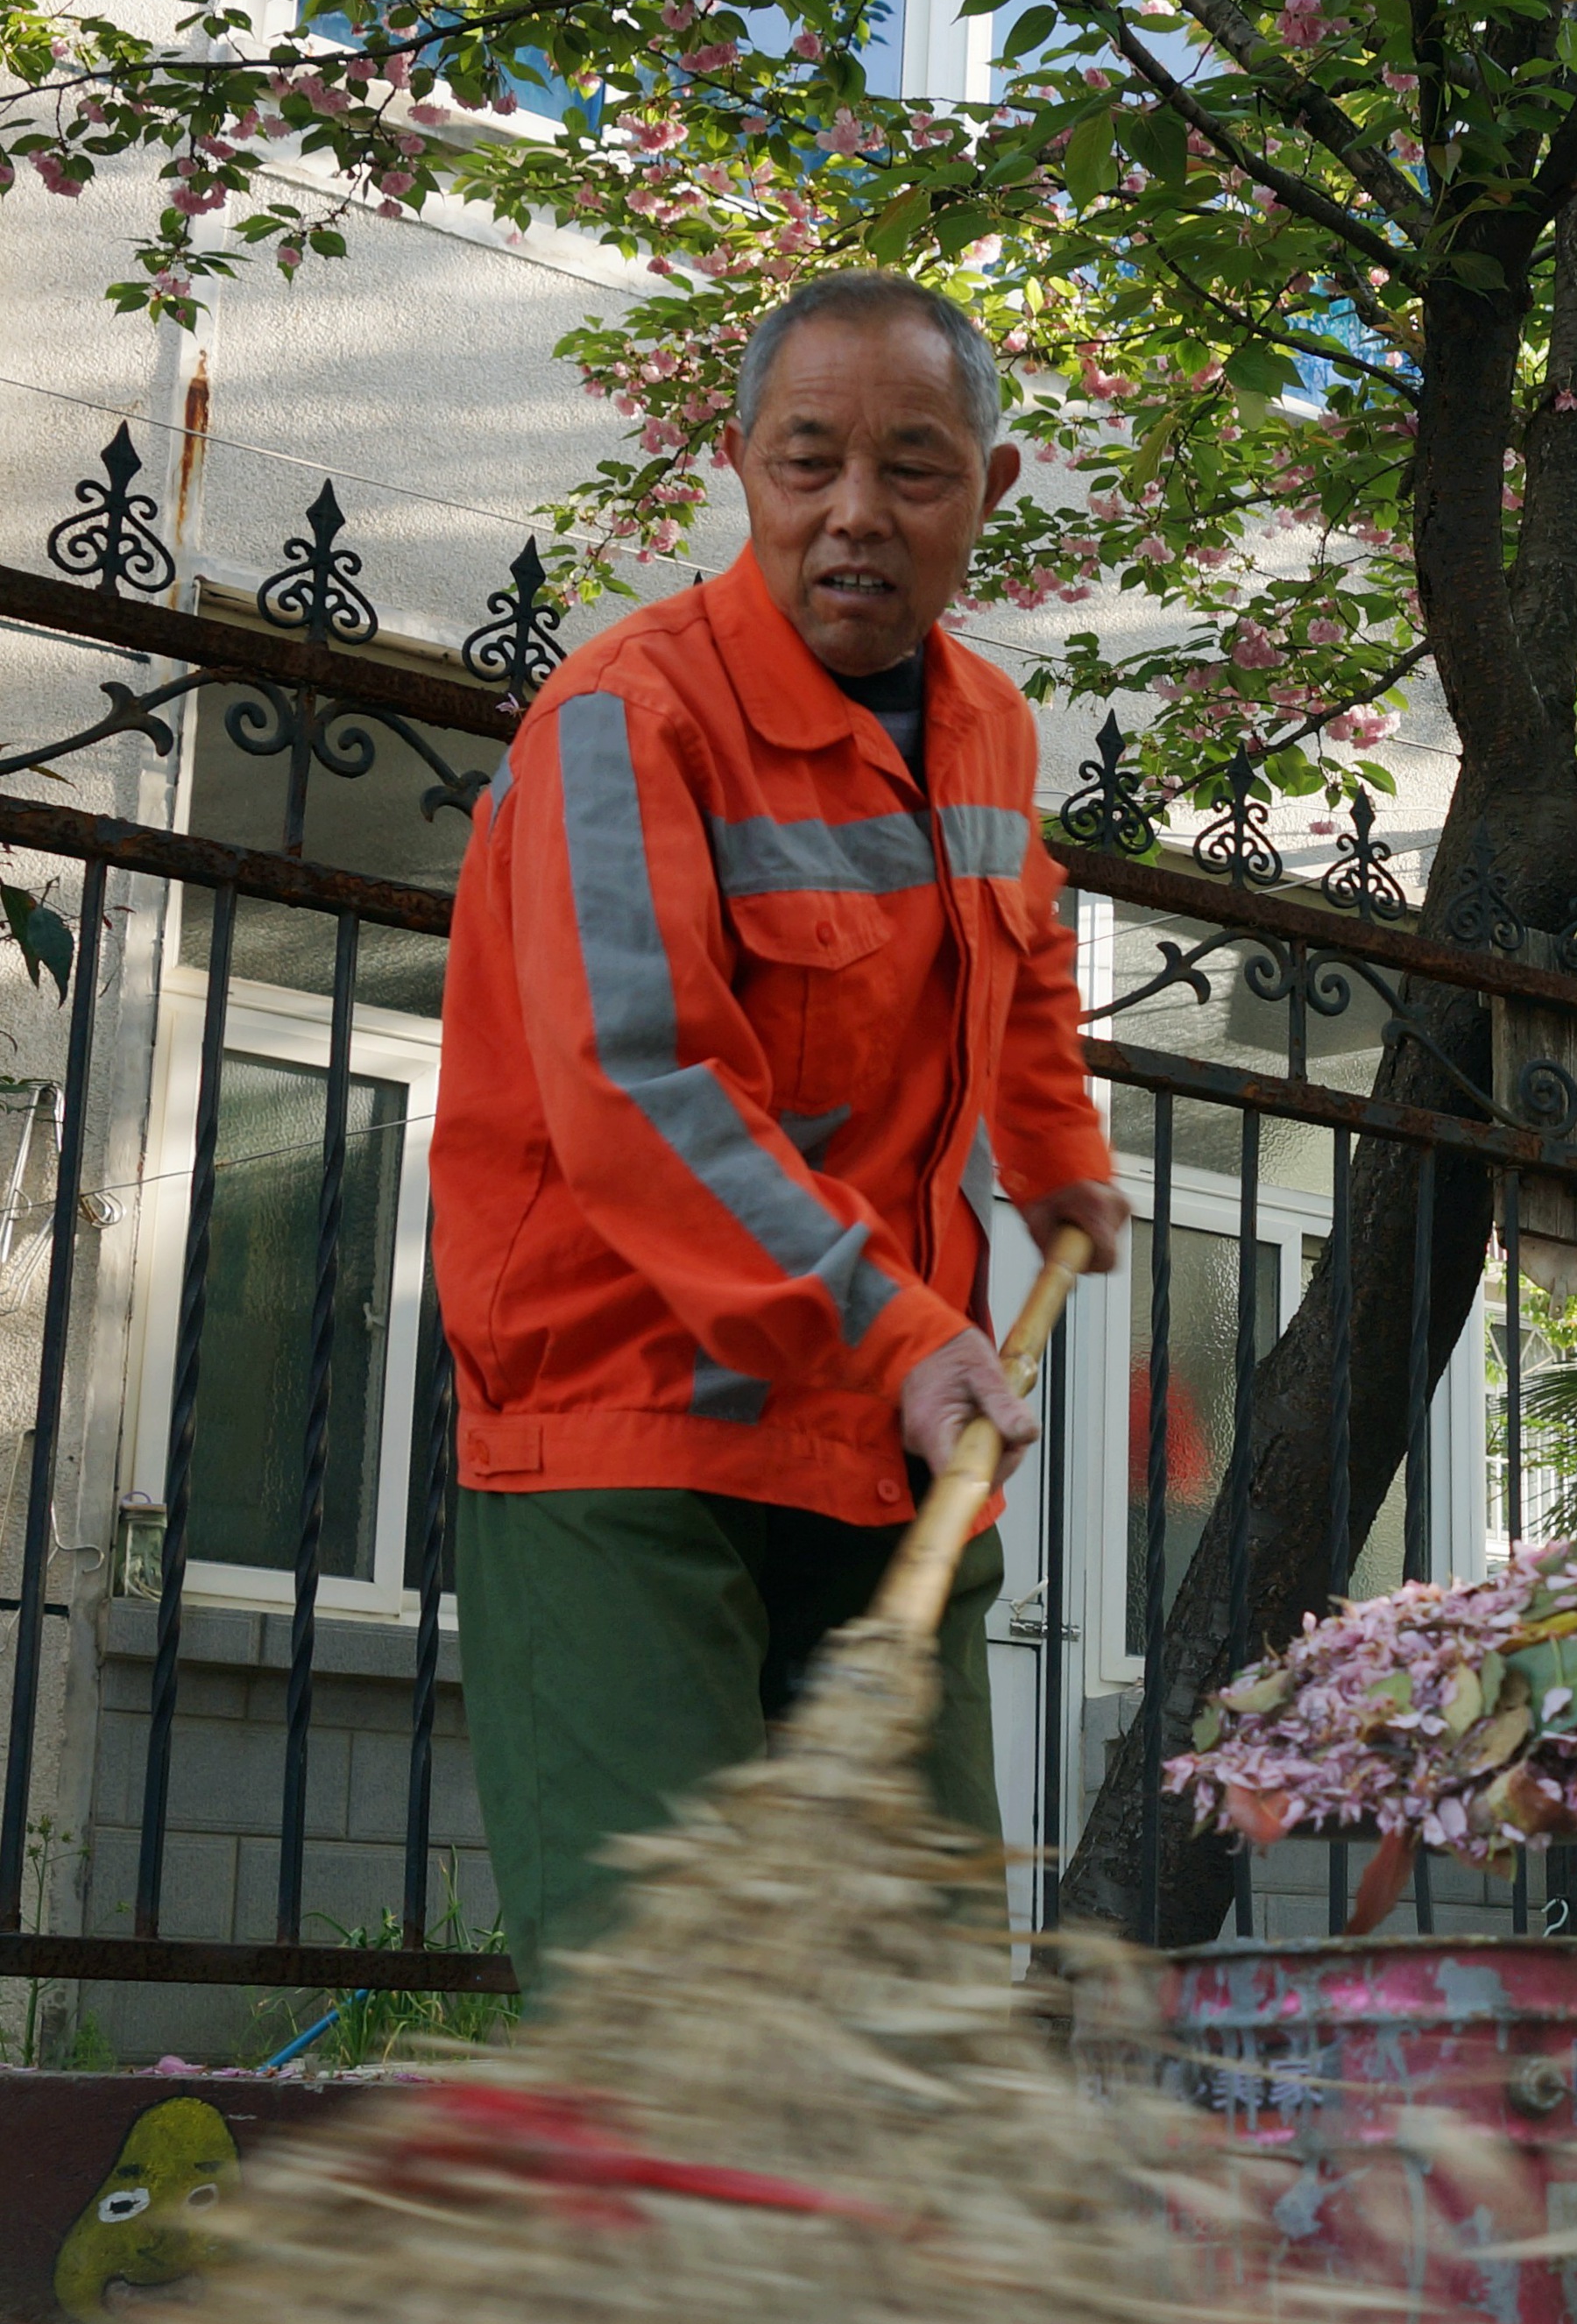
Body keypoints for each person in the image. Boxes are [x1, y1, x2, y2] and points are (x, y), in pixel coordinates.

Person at [431, 271, 1127, 1982]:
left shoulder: (989, 729)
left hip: (880, 1428)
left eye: (913, 469)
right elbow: (643, 1091)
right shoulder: (627, 723)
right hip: (626, 1417)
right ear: (741, 461)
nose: (854, 517)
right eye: (807, 463)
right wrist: (894, 1327)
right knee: (656, 2006)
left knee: (922, 2008)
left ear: (991, 488)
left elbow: (1020, 950)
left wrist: (1056, 1153)